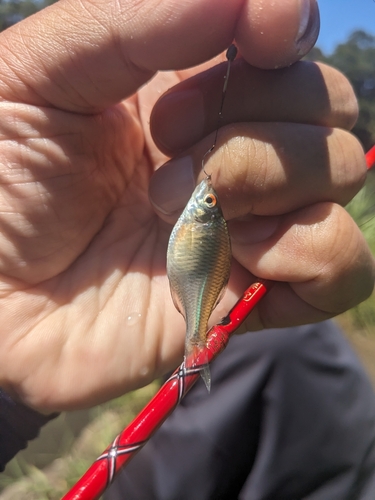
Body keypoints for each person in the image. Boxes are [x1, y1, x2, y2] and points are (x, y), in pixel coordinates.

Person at [0, 0, 374, 497]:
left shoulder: (200, 217)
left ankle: (193, 345)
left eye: (210, 198)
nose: (206, 194)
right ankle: (196, 344)